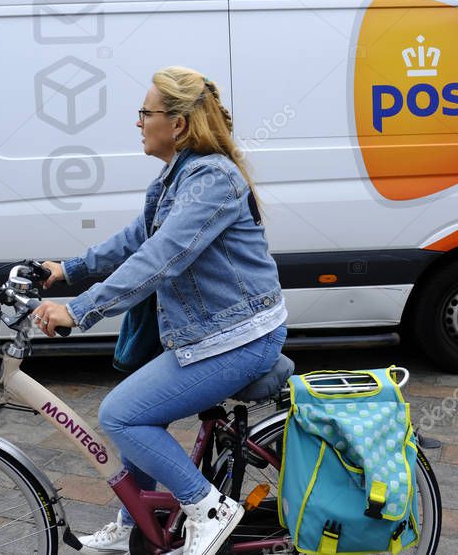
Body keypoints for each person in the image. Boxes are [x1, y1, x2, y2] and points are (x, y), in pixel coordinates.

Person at [33, 66, 288, 555]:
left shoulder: (211, 178)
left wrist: (80, 310)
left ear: (178, 124)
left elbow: (162, 256)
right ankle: (137, 523)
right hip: (210, 333)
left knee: (122, 415)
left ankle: (209, 509)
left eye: (144, 113)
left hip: (241, 337)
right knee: (140, 408)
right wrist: (67, 269)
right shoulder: (179, 176)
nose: (138, 122)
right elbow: (138, 237)